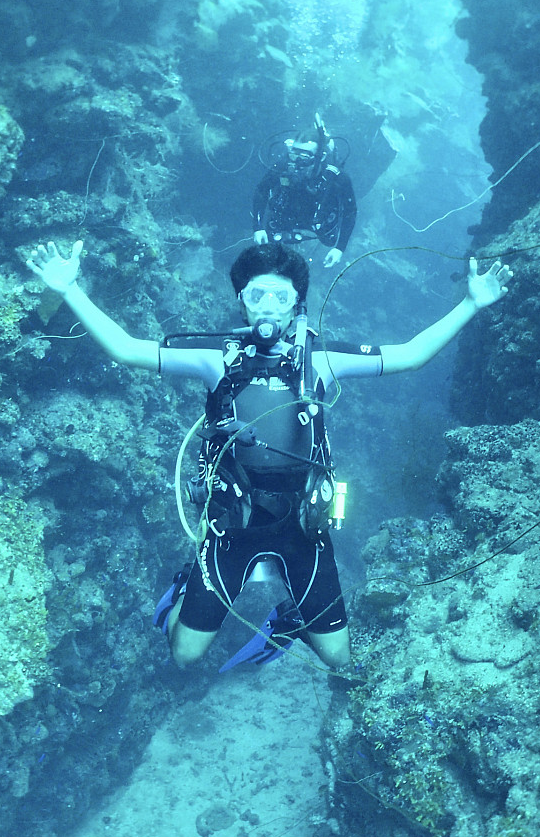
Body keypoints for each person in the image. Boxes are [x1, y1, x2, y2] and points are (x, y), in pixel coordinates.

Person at [26, 239, 511, 671]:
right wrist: (69, 290)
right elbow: (126, 348)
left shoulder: (320, 359)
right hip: (230, 529)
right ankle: (186, 586)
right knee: (185, 655)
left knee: (339, 658)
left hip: (302, 529)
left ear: (298, 302)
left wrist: (471, 303)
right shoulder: (214, 355)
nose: (269, 307)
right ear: (240, 300)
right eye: (258, 294)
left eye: (282, 296)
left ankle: (291, 619)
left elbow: (410, 355)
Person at [252, 115, 357, 269]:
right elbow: (261, 190)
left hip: (318, 225)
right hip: (288, 218)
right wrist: (258, 227)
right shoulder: (284, 166)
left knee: (326, 238)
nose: (297, 163)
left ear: (320, 158)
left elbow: (350, 211)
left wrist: (340, 248)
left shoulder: (336, 177)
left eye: (305, 157)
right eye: (294, 154)